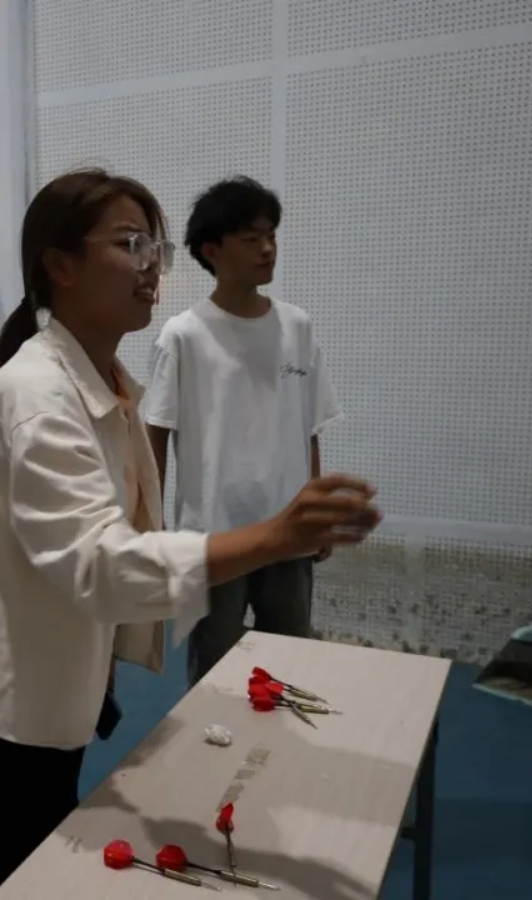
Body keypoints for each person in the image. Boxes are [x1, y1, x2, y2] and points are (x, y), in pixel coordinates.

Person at [0, 168, 381, 899]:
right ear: (61, 265)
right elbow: (99, 565)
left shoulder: (110, 383)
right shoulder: (37, 395)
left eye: (154, 247)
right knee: (1, 882)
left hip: (47, 682)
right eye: (129, 244)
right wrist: (273, 538)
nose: (150, 265)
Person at [144, 176, 342, 687]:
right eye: (252, 238)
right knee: (214, 674)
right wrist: (151, 526)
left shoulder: (297, 327)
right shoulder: (183, 335)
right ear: (212, 250)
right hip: (213, 537)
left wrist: (316, 515)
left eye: (272, 235)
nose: (268, 248)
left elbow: (309, 427)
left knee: (290, 665)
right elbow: (155, 436)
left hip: (288, 531)